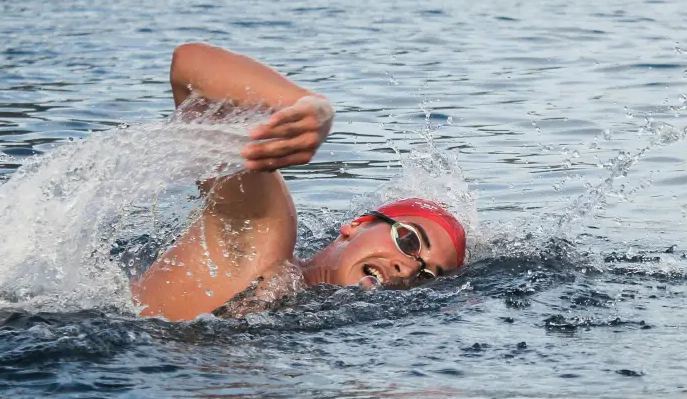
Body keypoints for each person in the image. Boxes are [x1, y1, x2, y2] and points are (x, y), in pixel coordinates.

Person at [132, 43, 467, 321]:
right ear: (357, 224)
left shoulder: (307, 311)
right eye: (408, 241)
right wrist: (309, 105)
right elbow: (188, 66)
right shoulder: (262, 240)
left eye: (426, 275)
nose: (407, 268)